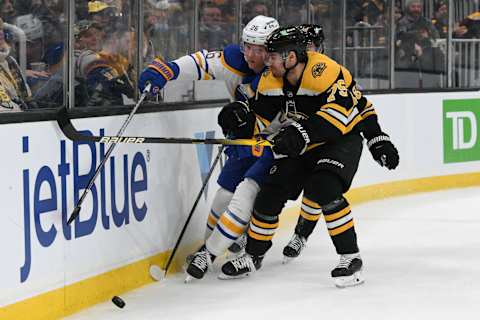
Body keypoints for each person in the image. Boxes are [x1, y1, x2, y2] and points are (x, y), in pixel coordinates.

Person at [219, 26, 399, 288]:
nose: (266, 61)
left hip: (340, 141)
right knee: (270, 192)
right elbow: (262, 118)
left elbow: (341, 115)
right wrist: (242, 120)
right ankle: (252, 256)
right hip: (304, 143)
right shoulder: (271, 79)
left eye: (272, 56)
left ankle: (350, 257)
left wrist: (376, 139)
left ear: (291, 57)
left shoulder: (325, 72)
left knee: (323, 187)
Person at [0, 18, 34, 111]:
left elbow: (26, 96)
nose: (1, 34)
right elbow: (5, 109)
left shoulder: (10, 61)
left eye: (1, 29)